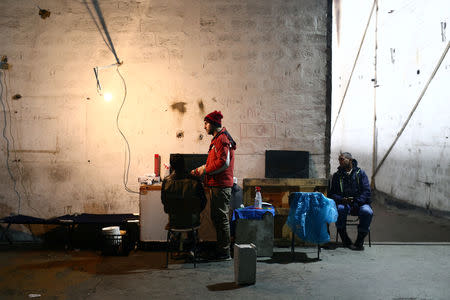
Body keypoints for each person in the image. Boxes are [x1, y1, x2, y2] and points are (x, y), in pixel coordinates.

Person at [191, 110, 237, 261]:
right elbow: (215, 161)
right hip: (217, 185)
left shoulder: (222, 139)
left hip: (221, 186)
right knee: (217, 218)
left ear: (213, 124)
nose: (204, 127)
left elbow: (224, 162)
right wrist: (201, 169)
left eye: (206, 123)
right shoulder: (218, 139)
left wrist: (204, 169)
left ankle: (224, 253)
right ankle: (221, 250)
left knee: (221, 218)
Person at [161, 154, 207, 256]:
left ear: (172, 166)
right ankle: (191, 249)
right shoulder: (195, 180)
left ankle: (176, 241)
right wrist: (196, 210)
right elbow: (203, 201)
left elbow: (164, 201)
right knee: (190, 216)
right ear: (184, 164)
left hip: (174, 221)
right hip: (192, 221)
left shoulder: (166, 181)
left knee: (180, 217)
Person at [329, 152, 373, 251]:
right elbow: (332, 193)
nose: (340, 161)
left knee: (367, 211)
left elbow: (366, 191)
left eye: (342, 159)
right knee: (340, 210)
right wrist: (341, 199)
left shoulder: (360, 173)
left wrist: (358, 201)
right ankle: (345, 240)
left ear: (350, 160)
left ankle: (359, 241)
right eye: (339, 159)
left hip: (360, 203)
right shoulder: (337, 175)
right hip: (345, 204)